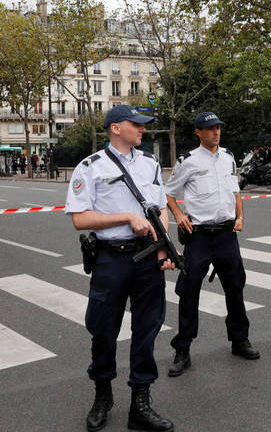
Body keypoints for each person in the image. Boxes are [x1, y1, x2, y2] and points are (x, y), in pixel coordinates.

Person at [64, 105, 175, 432]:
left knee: (147, 328)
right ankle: (103, 394)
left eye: (143, 126)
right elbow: (80, 219)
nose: (142, 130)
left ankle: (140, 403)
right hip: (111, 259)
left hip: (147, 257)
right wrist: (125, 217)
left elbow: (160, 207)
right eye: (135, 124)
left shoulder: (150, 164)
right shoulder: (90, 167)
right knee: (103, 329)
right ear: (115, 128)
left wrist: (164, 247)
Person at [165, 111, 259, 378]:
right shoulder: (188, 161)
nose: (216, 132)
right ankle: (182, 349)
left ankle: (240, 340)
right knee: (189, 291)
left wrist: (240, 216)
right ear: (198, 132)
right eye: (209, 129)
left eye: (218, 128)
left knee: (235, 287)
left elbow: (235, 190)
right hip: (200, 236)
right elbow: (169, 193)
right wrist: (179, 216)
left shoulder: (228, 157)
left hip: (227, 234)